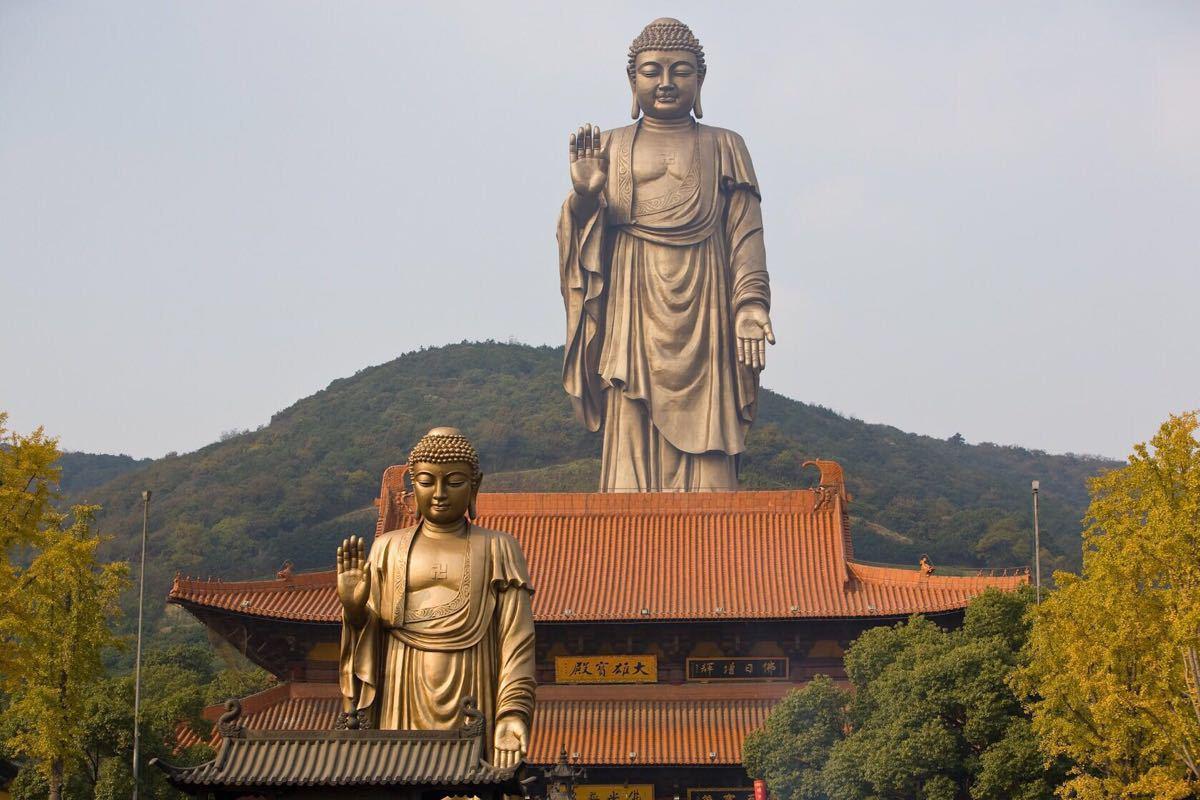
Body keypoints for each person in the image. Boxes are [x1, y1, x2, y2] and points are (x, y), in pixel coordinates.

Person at [558, 18, 776, 492]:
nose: (665, 82)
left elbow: (745, 233)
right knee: (629, 449)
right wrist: (585, 199)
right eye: (651, 71)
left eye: (680, 70)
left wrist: (751, 304)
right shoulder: (611, 146)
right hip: (632, 313)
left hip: (707, 318)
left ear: (700, 79)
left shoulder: (725, 145)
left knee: (712, 464)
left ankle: (713, 537)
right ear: (631, 80)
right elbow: (580, 241)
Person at [336, 428, 535, 767]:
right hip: (401, 687)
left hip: (472, 687)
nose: (440, 494)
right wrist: (354, 611)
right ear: (413, 485)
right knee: (400, 776)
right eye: (427, 482)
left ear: (475, 485)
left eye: (454, 482)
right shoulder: (387, 548)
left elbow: (517, 641)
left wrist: (512, 712)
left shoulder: (499, 548)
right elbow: (369, 638)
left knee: (470, 780)